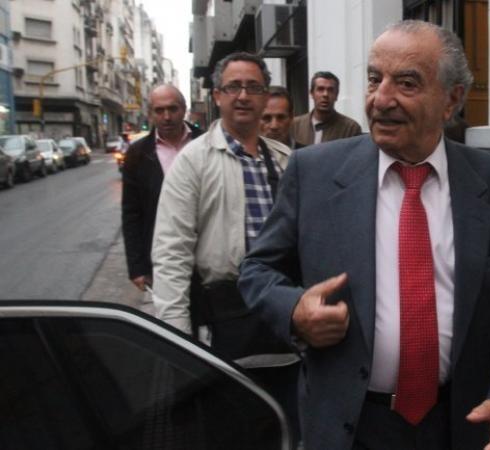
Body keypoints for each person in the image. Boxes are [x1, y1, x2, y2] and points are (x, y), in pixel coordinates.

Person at [239, 21, 490, 450]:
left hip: (459, 426)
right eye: (374, 79)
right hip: (349, 428)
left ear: (451, 100)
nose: (381, 99)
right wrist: (294, 309)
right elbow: (257, 270)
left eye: (406, 83)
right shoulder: (313, 173)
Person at [149, 52, 300, 442]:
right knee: (233, 431)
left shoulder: (285, 161)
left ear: (265, 96)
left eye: (253, 87)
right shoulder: (194, 161)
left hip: (285, 327)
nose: (243, 95)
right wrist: (178, 344)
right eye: (233, 87)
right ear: (217, 95)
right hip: (227, 327)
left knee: (288, 428)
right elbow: (171, 254)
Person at [121, 84, 203, 300]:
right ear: (150, 114)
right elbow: (131, 213)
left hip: (208, 255)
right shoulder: (138, 153)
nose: (167, 117)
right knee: (173, 318)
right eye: (159, 110)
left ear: (184, 109)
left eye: (173, 109)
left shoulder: (206, 142)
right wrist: (137, 267)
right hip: (164, 258)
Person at [291, 71, 361, 146]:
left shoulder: (350, 128)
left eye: (330, 90)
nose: (325, 94)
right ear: (311, 93)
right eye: (320, 89)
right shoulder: (295, 125)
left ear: (336, 95)